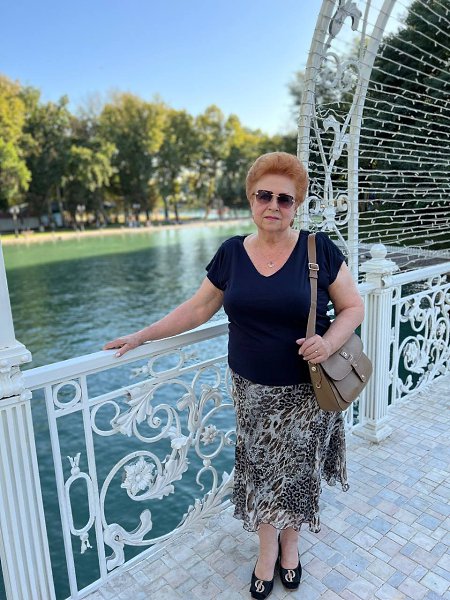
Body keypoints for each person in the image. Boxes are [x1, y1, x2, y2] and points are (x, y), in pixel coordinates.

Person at [103, 152, 364, 599]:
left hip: (308, 390)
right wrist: (142, 335)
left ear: (296, 205)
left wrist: (328, 342)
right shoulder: (231, 253)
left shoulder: (318, 249)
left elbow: (352, 307)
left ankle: (290, 546)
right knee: (261, 472)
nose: (273, 205)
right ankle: (267, 550)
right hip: (251, 392)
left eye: (285, 198)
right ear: (251, 199)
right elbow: (198, 308)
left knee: (298, 474)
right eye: (265, 195)